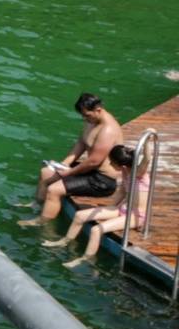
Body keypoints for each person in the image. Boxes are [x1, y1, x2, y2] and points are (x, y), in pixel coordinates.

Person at [21, 93, 126, 227]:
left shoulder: (108, 130)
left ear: (98, 110)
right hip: (90, 171)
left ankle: (42, 223)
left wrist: (69, 172)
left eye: (87, 115)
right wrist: (64, 164)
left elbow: (94, 161)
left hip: (102, 181)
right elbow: (81, 143)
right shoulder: (91, 120)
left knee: (54, 190)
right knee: (46, 172)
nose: (84, 118)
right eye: (83, 115)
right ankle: (37, 205)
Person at [43, 144, 152, 268]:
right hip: (122, 209)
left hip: (135, 216)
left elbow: (147, 158)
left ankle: (85, 259)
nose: (110, 164)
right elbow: (122, 191)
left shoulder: (139, 173)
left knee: (96, 230)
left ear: (120, 164)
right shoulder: (125, 171)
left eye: (112, 162)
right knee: (79, 216)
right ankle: (65, 242)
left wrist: (147, 141)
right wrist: (107, 209)